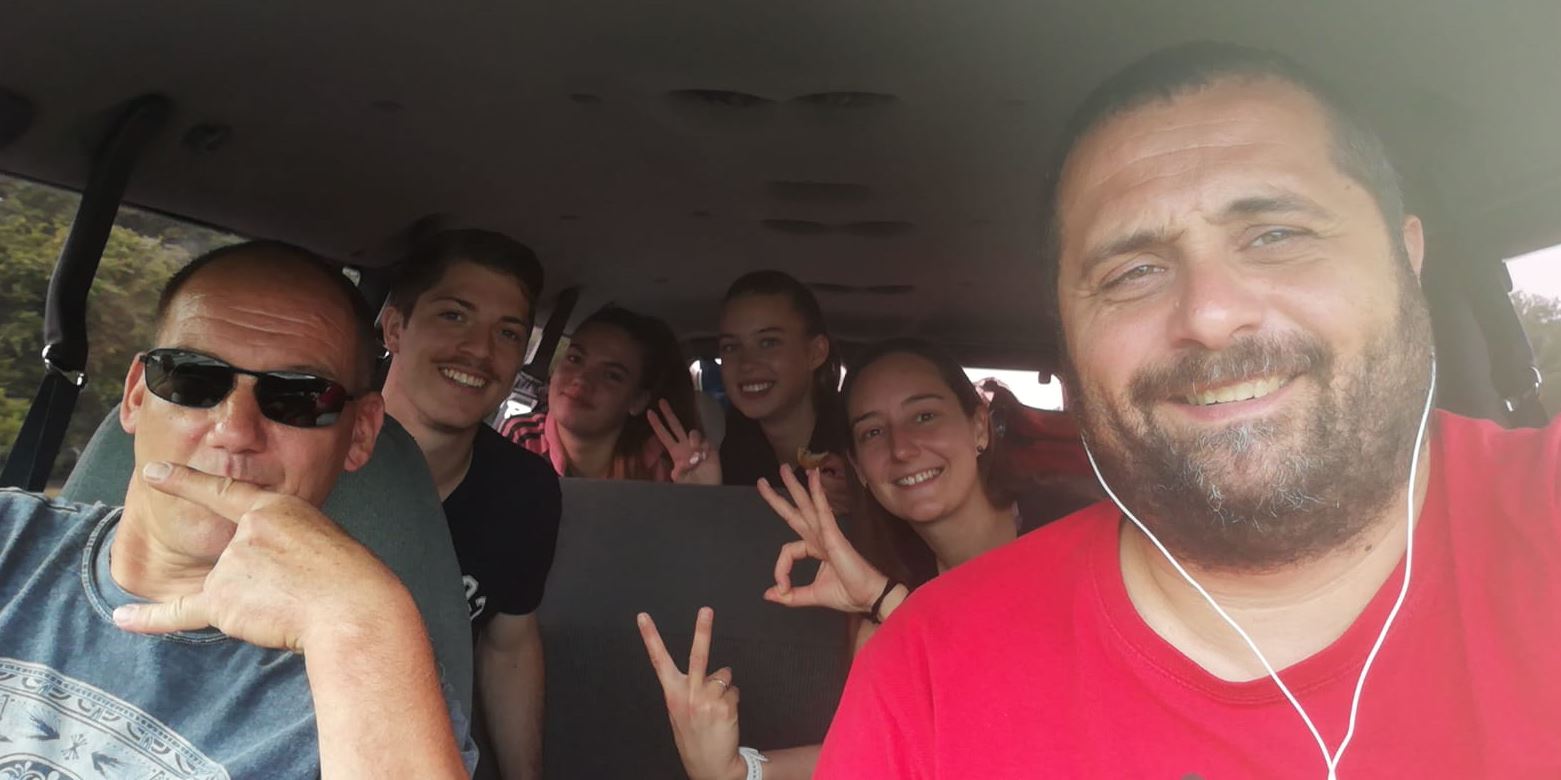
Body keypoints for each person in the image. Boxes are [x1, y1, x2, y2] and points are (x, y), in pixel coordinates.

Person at [813, 42, 1561, 778]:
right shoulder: (927, 677)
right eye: (1133, 272)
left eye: (1276, 235)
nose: (1210, 314)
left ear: (1406, 257)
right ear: (1066, 331)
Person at [0, 241, 474, 778]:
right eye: (192, 379)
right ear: (136, 397)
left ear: (360, 432)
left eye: (298, 397)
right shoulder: (9, 535)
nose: (234, 431)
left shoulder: (372, 680)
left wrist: (362, 621)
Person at [636, 338, 1095, 779]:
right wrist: (739, 771)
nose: (901, 448)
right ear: (858, 468)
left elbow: (1024, 721)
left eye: (925, 416)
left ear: (978, 427)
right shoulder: (885, 586)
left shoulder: (1081, 540)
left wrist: (888, 602)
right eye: (873, 432)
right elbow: (875, 754)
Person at [379, 228, 560, 780]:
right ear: (394, 327)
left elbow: (509, 646)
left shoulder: (525, 490)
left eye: (507, 333)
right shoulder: (310, 450)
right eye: (454, 315)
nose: (480, 350)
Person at [648, 270, 853, 510]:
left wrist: (862, 505)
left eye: (768, 342)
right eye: (731, 347)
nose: (746, 363)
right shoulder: (731, 453)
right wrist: (704, 498)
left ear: (815, 353)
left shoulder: (858, 445)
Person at [501, 305, 701, 481]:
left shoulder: (662, 466)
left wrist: (700, 494)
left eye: (612, 375)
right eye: (575, 359)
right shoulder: (523, 437)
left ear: (637, 400)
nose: (582, 379)